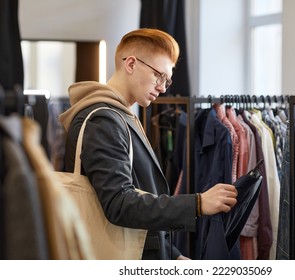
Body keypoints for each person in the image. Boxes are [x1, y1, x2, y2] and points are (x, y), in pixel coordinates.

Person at [59, 28, 237, 260]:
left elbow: (140, 192)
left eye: (167, 80)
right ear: (131, 64)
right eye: (159, 76)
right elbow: (119, 203)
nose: (163, 87)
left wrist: (172, 255)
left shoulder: (123, 116)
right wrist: (198, 203)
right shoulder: (104, 119)